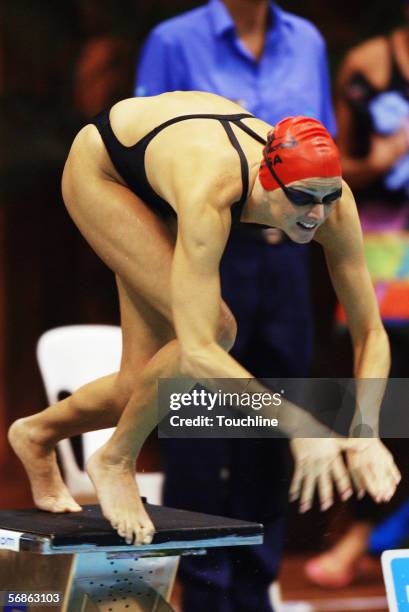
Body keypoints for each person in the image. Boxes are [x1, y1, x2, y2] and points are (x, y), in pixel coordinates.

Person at [8, 92, 400, 552]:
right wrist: (300, 427)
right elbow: (198, 351)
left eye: (328, 198)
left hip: (168, 161)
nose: (316, 214)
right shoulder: (212, 192)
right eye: (302, 199)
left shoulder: (331, 201)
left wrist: (367, 432)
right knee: (215, 331)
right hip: (109, 168)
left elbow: (370, 331)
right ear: (267, 182)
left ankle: (36, 433)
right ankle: (114, 458)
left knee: (138, 386)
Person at [135, 3, 336, 608]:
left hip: (287, 256)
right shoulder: (172, 39)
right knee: (200, 416)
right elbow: (148, 161)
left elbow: (323, 146)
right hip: (207, 251)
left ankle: (254, 587)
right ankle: (201, 591)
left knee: (271, 426)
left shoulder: (308, 40)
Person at [305, 3, 409, 588]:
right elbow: (330, 168)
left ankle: (380, 536)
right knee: (388, 405)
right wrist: (382, 159)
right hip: (385, 257)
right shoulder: (370, 63)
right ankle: (358, 535)